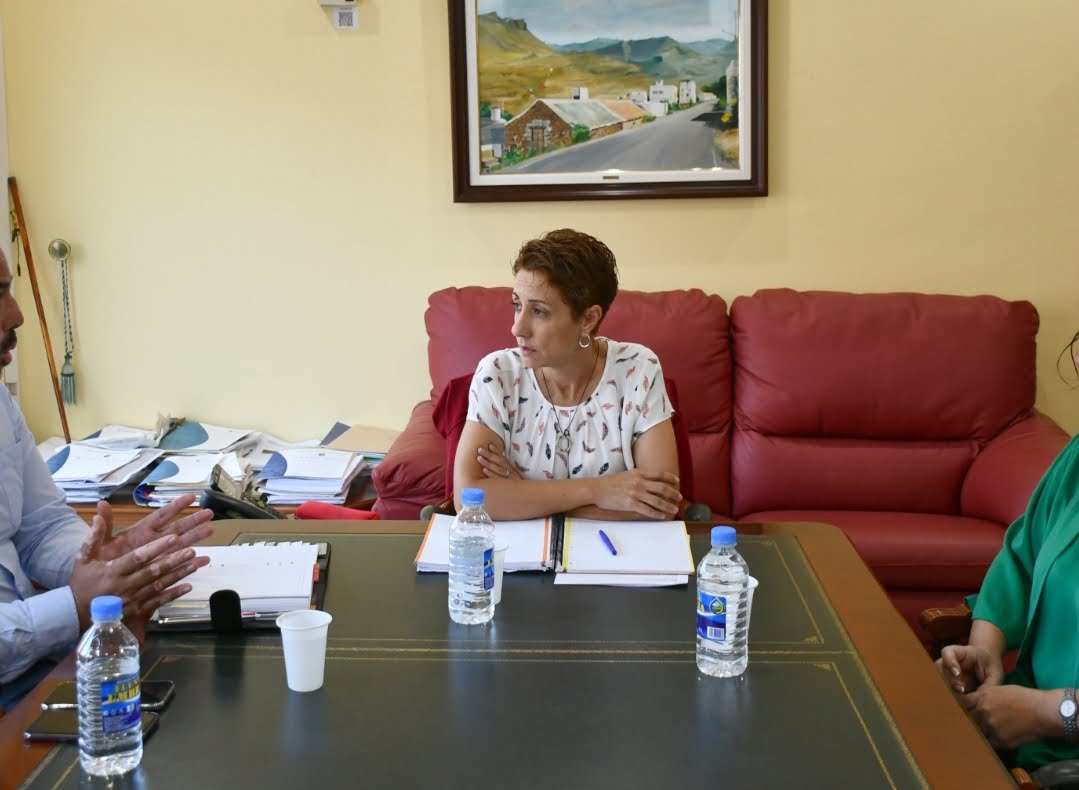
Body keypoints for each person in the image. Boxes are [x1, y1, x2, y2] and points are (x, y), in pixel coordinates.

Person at [0, 250, 214, 708]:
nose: (16, 314)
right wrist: (75, 605)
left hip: (39, 666)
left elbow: (41, 525)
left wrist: (105, 564)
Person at [453, 228, 682, 521]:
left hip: (612, 548)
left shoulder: (638, 370)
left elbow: (659, 505)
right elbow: (469, 499)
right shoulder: (498, 375)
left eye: (539, 311)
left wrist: (523, 493)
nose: (517, 328)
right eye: (517, 305)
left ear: (588, 319)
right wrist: (598, 491)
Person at [937, 328, 1079, 772]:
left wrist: (1050, 712)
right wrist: (985, 653)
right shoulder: (1076, 461)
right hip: (1021, 734)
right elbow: (1020, 561)